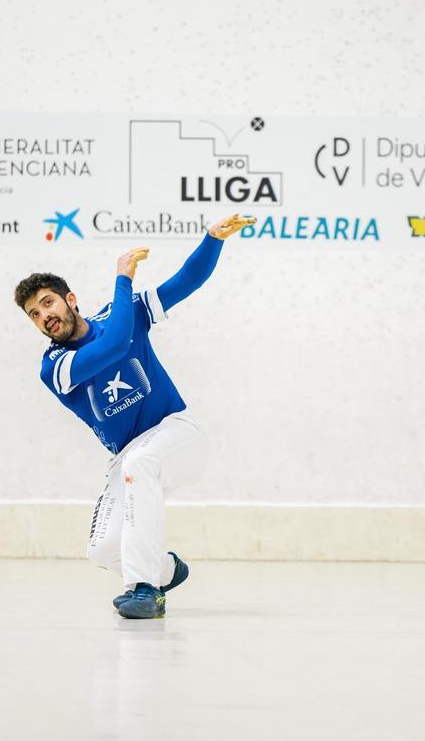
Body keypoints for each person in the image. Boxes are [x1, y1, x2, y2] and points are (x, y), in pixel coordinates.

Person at [14, 214, 253, 619]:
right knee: (103, 550)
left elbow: (184, 282)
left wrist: (212, 239)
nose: (44, 316)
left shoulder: (121, 311)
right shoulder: (55, 367)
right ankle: (165, 570)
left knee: (142, 464)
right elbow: (112, 347)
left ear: (70, 299)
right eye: (34, 315)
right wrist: (123, 278)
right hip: (125, 457)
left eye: (48, 303)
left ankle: (144, 590)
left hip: (176, 433)